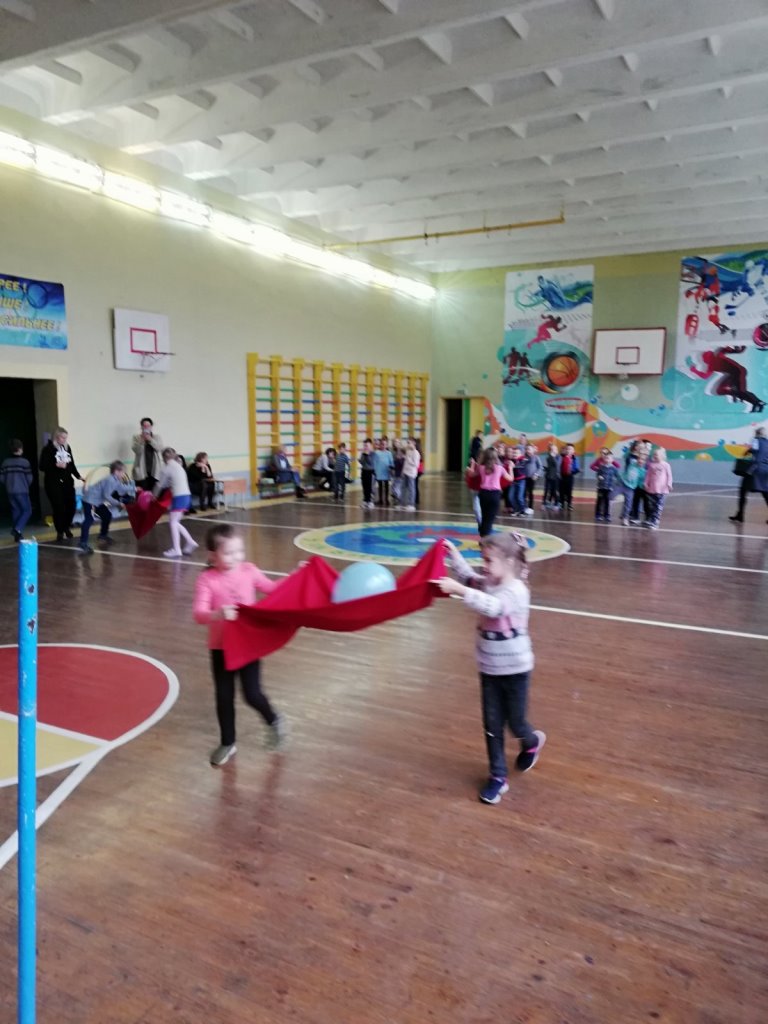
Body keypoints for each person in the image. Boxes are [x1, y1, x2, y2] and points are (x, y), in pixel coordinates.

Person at [435, 534, 545, 805]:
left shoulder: (516, 590)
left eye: (488, 560)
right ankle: (498, 776)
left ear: (508, 562)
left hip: (516, 670)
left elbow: (494, 607)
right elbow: (467, 577)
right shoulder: (487, 582)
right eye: (482, 559)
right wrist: (453, 555)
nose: (483, 566)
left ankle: (531, 741)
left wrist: (459, 591)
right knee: (492, 724)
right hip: (489, 669)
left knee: (516, 723)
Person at [193, 524, 287, 766]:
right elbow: (199, 614)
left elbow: (273, 589)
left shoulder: (249, 570)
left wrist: (297, 577)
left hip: (247, 645)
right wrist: (217, 614)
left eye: (239, 551)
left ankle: (274, 720)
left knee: (252, 694)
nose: (236, 557)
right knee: (224, 696)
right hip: (220, 648)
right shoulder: (206, 579)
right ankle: (228, 742)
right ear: (212, 556)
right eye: (228, 553)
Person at [78, 461, 134, 554]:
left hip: (98, 501)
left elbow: (121, 488)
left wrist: (135, 488)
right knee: (89, 519)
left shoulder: (116, 480)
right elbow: (107, 496)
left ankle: (103, 535)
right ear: (116, 471)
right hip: (90, 501)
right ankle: (83, 542)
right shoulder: (110, 480)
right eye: (122, 472)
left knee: (107, 516)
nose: (123, 474)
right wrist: (119, 503)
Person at [39, 426, 82, 542]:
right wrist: (55, 465)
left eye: (65, 438)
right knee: (59, 508)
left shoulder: (67, 448)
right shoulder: (48, 449)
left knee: (71, 506)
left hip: (67, 482)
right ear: (56, 437)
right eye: (62, 437)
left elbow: (71, 464)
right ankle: (60, 531)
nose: (64, 440)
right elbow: (42, 466)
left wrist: (78, 476)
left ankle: (66, 526)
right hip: (53, 483)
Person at [155, 447, 198, 558]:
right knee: (175, 522)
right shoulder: (178, 466)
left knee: (173, 523)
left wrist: (153, 495)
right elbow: (170, 482)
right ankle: (190, 541)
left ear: (164, 458)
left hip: (179, 497)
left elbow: (160, 485)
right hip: (186, 496)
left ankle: (177, 549)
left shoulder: (166, 468)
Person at [471, 447, 513, 538]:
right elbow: (510, 478)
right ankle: (485, 539)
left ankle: (483, 536)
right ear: (496, 457)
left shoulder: (481, 467)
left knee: (485, 517)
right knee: (490, 519)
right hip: (494, 495)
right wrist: (511, 468)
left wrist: (473, 464)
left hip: (483, 494)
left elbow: (471, 474)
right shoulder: (500, 468)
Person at [730, 427, 768, 523]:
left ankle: (740, 515)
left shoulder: (756, 440)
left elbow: (754, 450)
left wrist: (746, 452)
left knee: (743, 490)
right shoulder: (767, 442)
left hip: (755, 469)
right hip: (765, 470)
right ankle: (739, 515)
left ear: (757, 433)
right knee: (765, 492)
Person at [0, 439, 33, 541]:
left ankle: (17, 536)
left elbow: (1, 477)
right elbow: (29, 478)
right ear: (20, 449)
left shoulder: (5, 462)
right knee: (27, 510)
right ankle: (17, 529)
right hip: (22, 490)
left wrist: (8, 484)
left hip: (10, 491)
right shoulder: (25, 462)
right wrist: (25, 485)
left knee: (16, 510)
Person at [641, 447, 673, 529]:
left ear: (662, 456)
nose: (655, 456)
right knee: (652, 506)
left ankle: (655, 522)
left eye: (657, 455)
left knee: (658, 507)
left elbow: (669, 476)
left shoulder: (666, 465)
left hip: (662, 490)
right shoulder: (651, 465)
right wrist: (645, 483)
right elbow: (648, 475)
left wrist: (669, 484)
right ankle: (651, 520)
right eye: (654, 454)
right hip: (652, 489)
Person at [617, 442, 648, 526]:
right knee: (631, 499)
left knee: (640, 500)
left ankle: (640, 516)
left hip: (640, 483)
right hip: (631, 482)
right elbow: (630, 468)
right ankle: (629, 515)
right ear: (635, 447)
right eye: (639, 447)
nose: (641, 449)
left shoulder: (644, 458)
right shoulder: (631, 457)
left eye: (643, 447)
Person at [131, 417, 164, 491]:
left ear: (151, 427)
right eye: (144, 426)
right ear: (141, 427)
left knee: (154, 492)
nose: (146, 427)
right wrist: (142, 440)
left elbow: (159, 448)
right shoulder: (136, 437)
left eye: (148, 426)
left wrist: (150, 440)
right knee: (142, 492)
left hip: (155, 470)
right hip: (141, 471)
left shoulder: (157, 437)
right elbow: (137, 451)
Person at [589, 448, 621, 522]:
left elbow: (618, 476)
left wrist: (617, 484)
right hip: (601, 488)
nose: (607, 459)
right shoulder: (601, 467)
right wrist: (599, 476)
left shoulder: (613, 468)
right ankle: (598, 514)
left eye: (608, 458)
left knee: (607, 502)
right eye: (606, 458)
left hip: (609, 488)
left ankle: (607, 515)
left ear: (612, 460)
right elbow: (598, 474)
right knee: (599, 501)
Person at [558, 443, 580, 511]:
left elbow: (576, 468)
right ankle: (561, 504)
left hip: (570, 476)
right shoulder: (562, 457)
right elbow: (559, 465)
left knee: (569, 491)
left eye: (570, 449)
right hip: (562, 476)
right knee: (561, 490)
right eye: (567, 449)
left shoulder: (574, 458)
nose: (568, 450)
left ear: (573, 451)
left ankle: (569, 504)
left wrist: (573, 471)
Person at [401, 438, 420, 511]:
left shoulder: (416, 453)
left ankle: (411, 504)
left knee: (411, 489)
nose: (408, 444)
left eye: (409, 443)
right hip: (405, 472)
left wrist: (408, 459)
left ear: (414, 443)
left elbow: (416, 465)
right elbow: (405, 462)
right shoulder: (408, 451)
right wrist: (403, 471)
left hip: (411, 473)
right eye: (408, 443)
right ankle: (402, 504)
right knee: (403, 488)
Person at [522, 443, 541, 515]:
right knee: (524, 493)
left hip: (532, 478)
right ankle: (524, 506)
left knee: (530, 493)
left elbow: (540, 467)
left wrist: (536, 474)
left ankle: (531, 508)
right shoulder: (524, 457)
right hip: (524, 478)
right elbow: (521, 466)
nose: (528, 450)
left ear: (533, 450)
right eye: (526, 449)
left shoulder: (536, 457)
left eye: (529, 449)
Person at [373, 441, 394, 506]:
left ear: (387, 445)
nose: (383, 446)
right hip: (379, 471)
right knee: (380, 486)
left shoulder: (389, 453)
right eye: (382, 444)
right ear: (380, 445)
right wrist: (375, 470)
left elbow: (391, 461)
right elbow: (375, 462)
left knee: (386, 486)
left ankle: (386, 499)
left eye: (384, 444)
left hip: (386, 471)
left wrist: (392, 469)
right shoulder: (377, 452)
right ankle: (380, 499)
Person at [542, 443, 560, 510]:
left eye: (555, 449)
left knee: (555, 491)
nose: (553, 451)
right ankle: (544, 503)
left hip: (555, 477)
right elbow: (547, 466)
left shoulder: (558, 457)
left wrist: (552, 457)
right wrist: (544, 468)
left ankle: (556, 503)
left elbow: (556, 465)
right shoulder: (548, 458)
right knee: (546, 490)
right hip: (548, 477)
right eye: (552, 449)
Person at [359, 438, 375, 509]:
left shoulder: (373, 453)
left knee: (370, 487)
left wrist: (367, 455)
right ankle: (365, 500)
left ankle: (370, 502)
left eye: (367, 445)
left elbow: (370, 462)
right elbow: (361, 462)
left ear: (371, 445)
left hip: (370, 471)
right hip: (364, 470)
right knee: (364, 486)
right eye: (364, 445)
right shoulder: (363, 453)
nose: (365, 447)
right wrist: (363, 455)